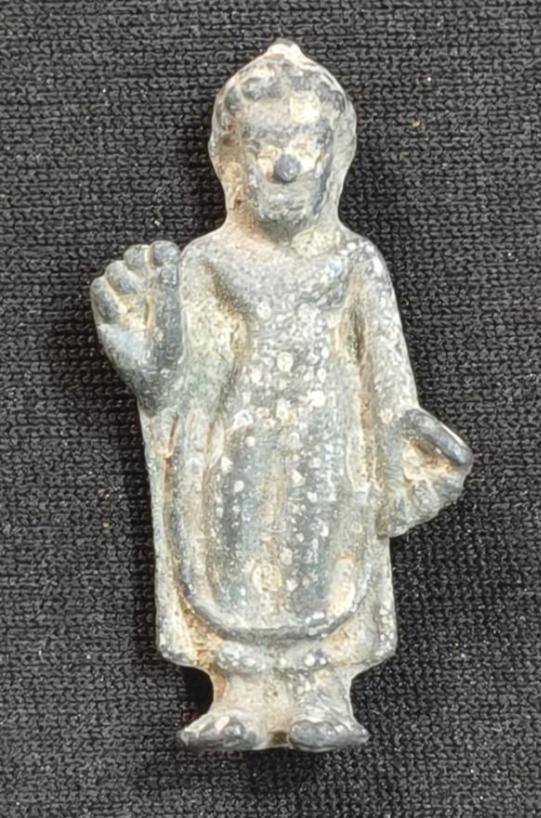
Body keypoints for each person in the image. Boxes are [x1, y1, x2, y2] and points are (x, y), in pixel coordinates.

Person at [91, 40, 472, 751]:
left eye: (304, 145)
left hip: (328, 439)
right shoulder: (207, 260)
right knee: (229, 549)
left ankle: (318, 688)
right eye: (265, 146)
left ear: (336, 157)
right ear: (230, 159)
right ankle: (237, 688)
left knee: (319, 556)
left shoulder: (353, 260)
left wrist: (407, 446)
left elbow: (388, 378)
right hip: (231, 436)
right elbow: (176, 384)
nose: (286, 166)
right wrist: (148, 367)